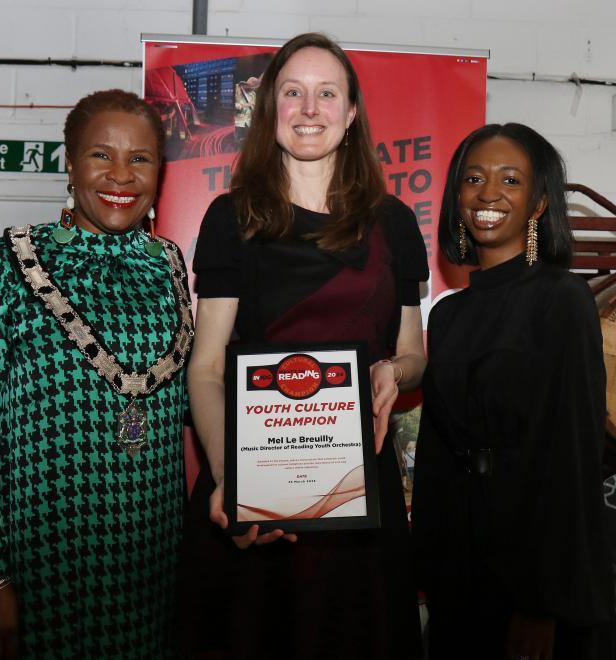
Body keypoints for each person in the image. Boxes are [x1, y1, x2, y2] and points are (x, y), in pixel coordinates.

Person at [179, 33, 429, 659]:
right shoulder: (230, 218)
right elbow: (205, 369)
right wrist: (232, 481)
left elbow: (413, 352)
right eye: (293, 92)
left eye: (327, 94)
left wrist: (392, 370)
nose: (310, 108)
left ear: (351, 113)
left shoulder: (395, 222)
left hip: (360, 495)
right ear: (270, 109)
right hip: (256, 484)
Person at [0, 89, 193, 659]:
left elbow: (191, 397)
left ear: (160, 172)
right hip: (38, 572)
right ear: (70, 165)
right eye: (101, 155)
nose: (121, 174)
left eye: (140, 158)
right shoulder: (4, 267)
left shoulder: (171, 268)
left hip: (151, 572)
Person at [411, 123, 612, 659]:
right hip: (458, 560)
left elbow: (572, 456)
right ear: (457, 196)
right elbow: (437, 450)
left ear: (539, 203)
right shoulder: (448, 315)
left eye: (511, 180)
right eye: (474, 178)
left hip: (530, 563)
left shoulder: (562, 299)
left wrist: (542, 602)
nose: (488, 194)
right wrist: (425, 566)